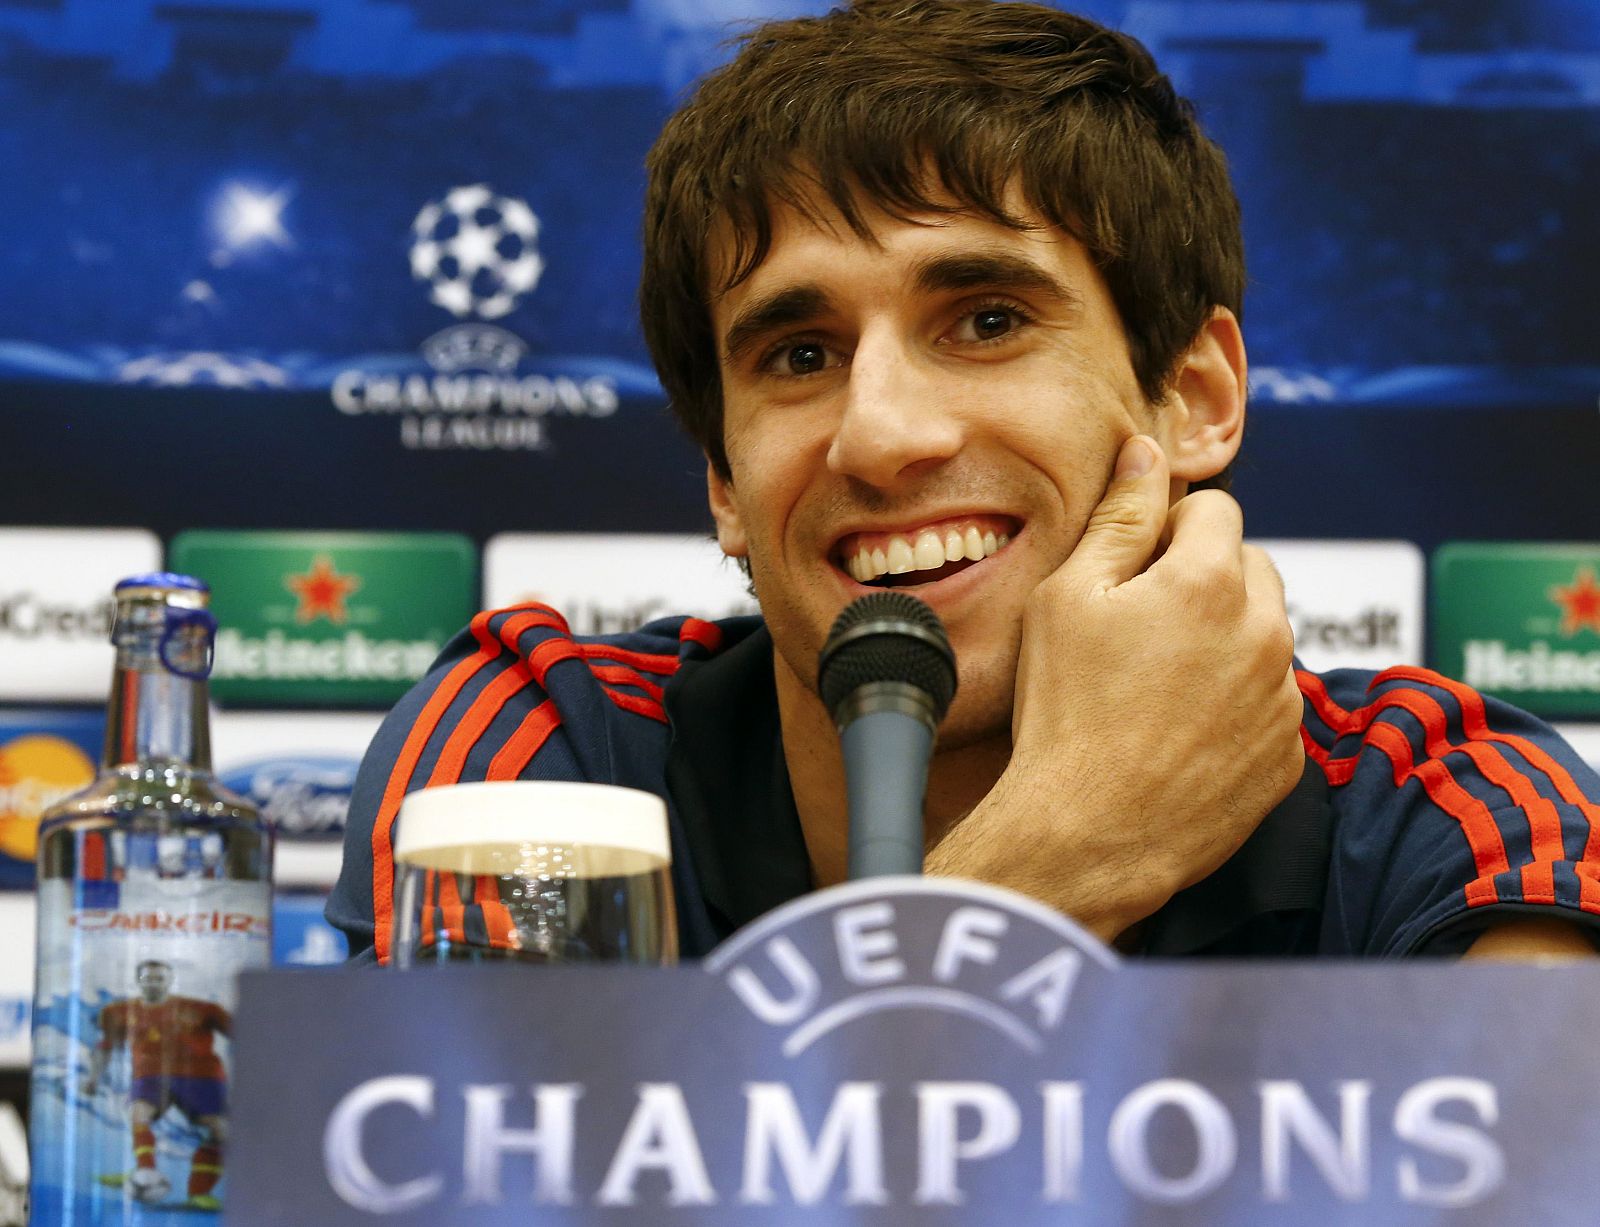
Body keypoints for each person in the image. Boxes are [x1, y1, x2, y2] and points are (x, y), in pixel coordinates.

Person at [330, 0, 1600, 964]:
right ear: (723, 479)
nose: (878, 437)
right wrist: (1049, 869)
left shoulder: (1458, 804)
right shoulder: (537, 743)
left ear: (1195, 396)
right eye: (801, 354)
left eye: (986, 321)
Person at [85, 959, 231, 1210]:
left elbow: (247, 1034)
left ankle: (199, 1192)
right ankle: (145, 1171)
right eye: (147, 978)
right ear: (138, 981)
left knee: (220, 1131)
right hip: (152, 1076)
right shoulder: (118, 1012)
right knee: (139, 1113)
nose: (153, 982)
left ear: (169, 980)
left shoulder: (203, 1009)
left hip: (201, 1076)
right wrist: (93, 1078)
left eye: (158, 978)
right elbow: (105, 1047)